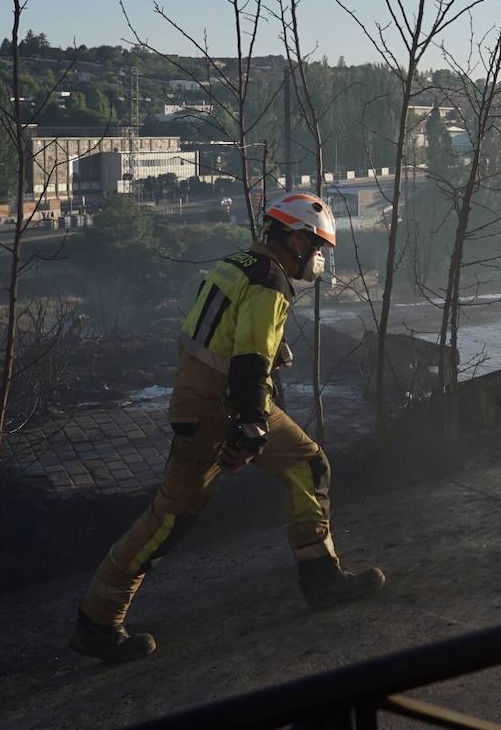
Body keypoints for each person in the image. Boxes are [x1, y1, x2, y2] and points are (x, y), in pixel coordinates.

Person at [71, 192, 384, 663]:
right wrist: (251, 427)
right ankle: (98, 622)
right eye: (316, 247)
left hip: (214, 397)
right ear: (295, 237)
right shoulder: (269, 283)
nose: (317, 259)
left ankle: (321, 579)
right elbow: (249, 360)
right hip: (219, 405)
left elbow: (226, 336)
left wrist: (254, 404)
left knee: (307, 463)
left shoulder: (236, 264)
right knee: (170, 518)